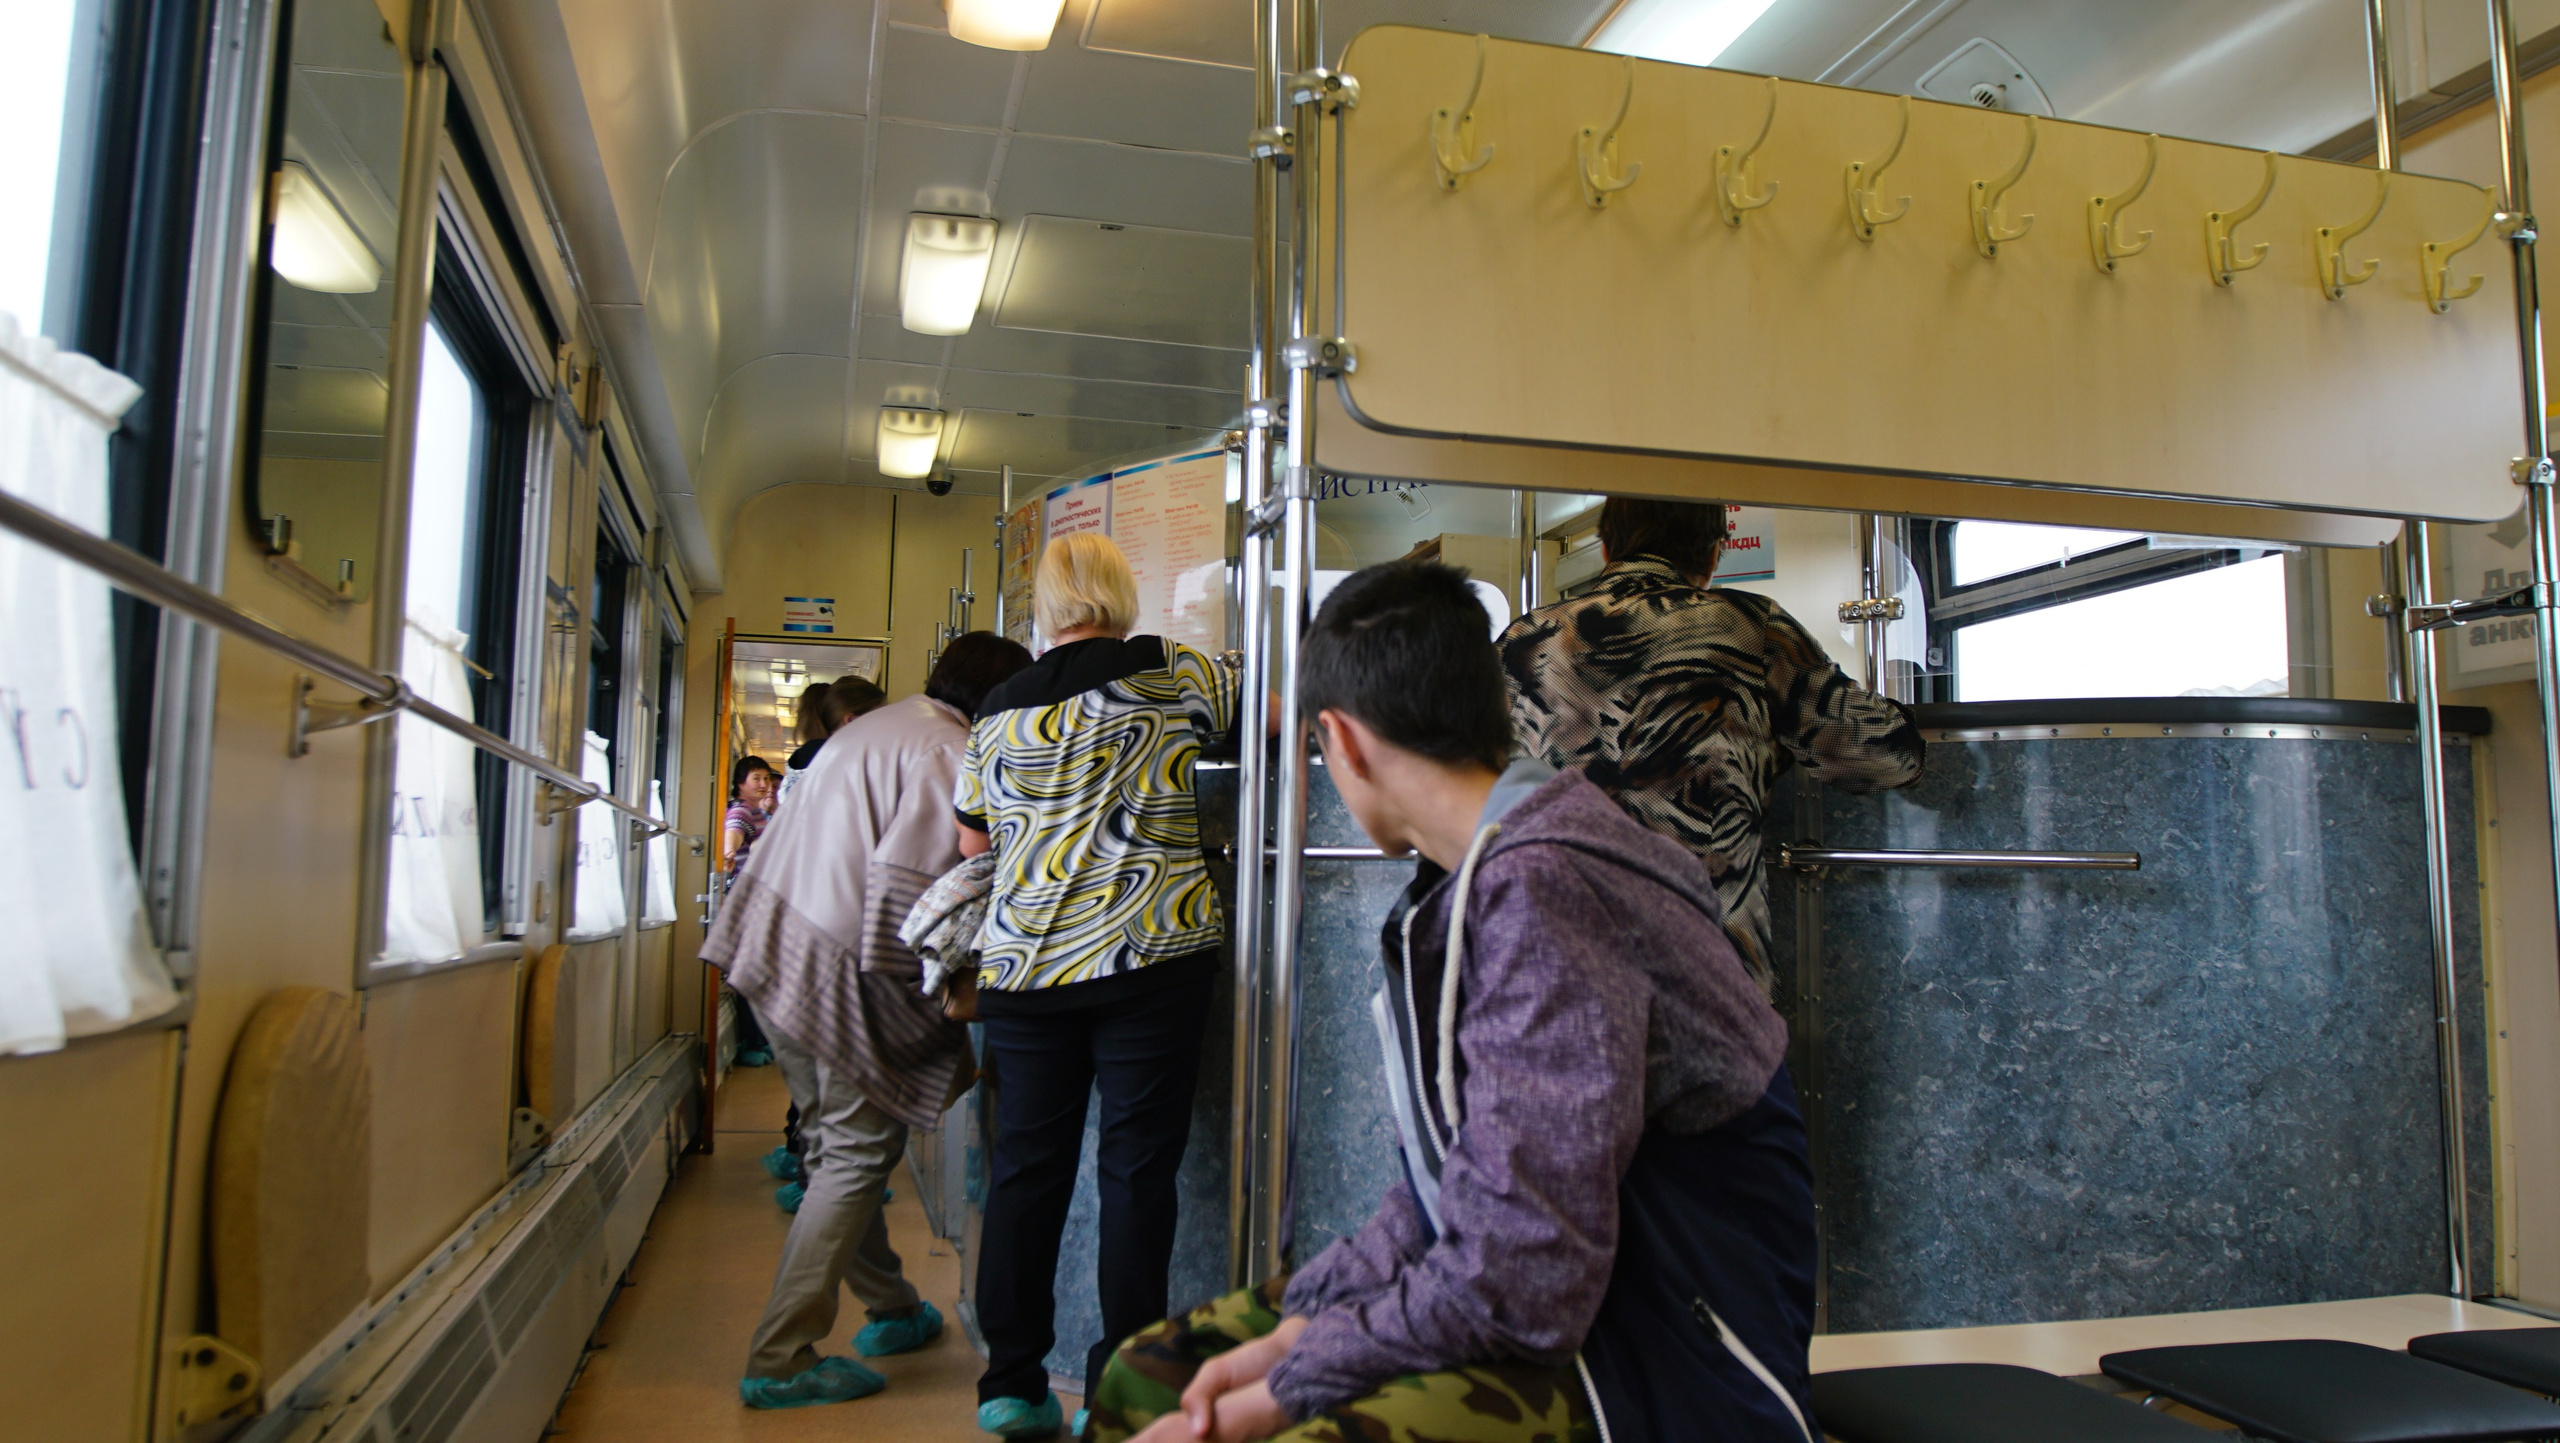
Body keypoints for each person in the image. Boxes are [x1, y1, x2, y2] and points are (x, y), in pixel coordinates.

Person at [1088, 561, 1815, 1443]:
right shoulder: (1491, 869)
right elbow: (1462, 1189)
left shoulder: (1541, 888)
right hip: (1576, 1300)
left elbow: (1523, 1272)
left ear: (1342, 741)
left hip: (1662, 1355)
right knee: (1148, 1373)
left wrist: (1287, 1385)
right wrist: (1300, 1326)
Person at [703, 632, 1034, 1410]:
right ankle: (781, 1355)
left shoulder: (878, 727)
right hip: (837, 961)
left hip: (770, 944)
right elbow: (909, 902)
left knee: (834, 1147)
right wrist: (940, 1020)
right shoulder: (949, 752)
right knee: (856, 1151)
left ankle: (891, 1306)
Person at [957, 533, 1239, 1439]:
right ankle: (1119, 1388)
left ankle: (1010, 1383)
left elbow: (972, 841)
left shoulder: (997, 704)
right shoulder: (1169, 669)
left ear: (1045, 607)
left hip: (1026, 968)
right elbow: (1277, 711)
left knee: (1025, 1171)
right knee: (1135, 1171)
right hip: (1149, 961)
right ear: (1122, 592)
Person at [1500, 497, 1924, 995]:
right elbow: (1883, 758)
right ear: (1713, 553)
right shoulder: (1748, 625)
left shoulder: (1521, 641)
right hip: (1710, 969)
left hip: (1555, 959)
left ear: (1607, 548)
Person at [762, 674, 892, 1201]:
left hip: (793, 920)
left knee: (813, 1071)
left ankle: (812, 1167)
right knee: (834, 1067)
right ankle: (826, 1181)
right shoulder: (838, 761)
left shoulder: (801, 764)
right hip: (827, 923)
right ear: (850, 720)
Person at [721, 754, 781, 1067]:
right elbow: (733, 832)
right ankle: (751, 1041)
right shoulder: (742, 810)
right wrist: (730, 850)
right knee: (751, 971)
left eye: (766, 778)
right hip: (747, 900)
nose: (763, 784)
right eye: (756, 779)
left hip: (760, 898)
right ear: (740, 783)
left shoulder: (759, 811)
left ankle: (758, 1037)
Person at [776, 675, 887, 815]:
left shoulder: (807, 760)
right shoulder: (843, 764)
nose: (885, 728)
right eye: (879, 719)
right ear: (850, 720)